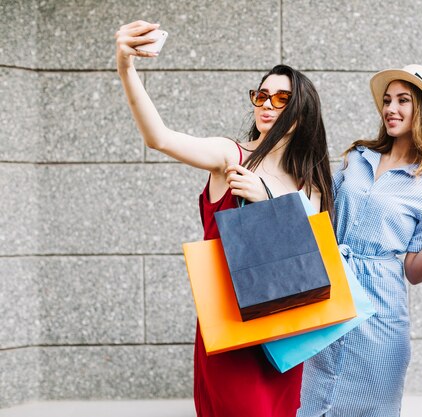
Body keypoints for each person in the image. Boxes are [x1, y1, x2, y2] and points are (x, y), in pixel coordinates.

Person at [114, 20, 333, 417]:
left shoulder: (311, 181)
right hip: (233, 327)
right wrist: (125, 67)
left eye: (281, 98)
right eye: (261, 95)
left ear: (302, 111)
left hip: (286, 331)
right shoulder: (230, 155)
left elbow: (312, 254)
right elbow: (158, 138)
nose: (267, 104)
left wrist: (268, 198)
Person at [296, 65, 422, 416]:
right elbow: (321, 213)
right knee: (313, 405)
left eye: (403, 100)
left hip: (381, 317)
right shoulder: (357, 158)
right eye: (387, 100)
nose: (390, 108)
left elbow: (414, 271)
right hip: (329, 299)